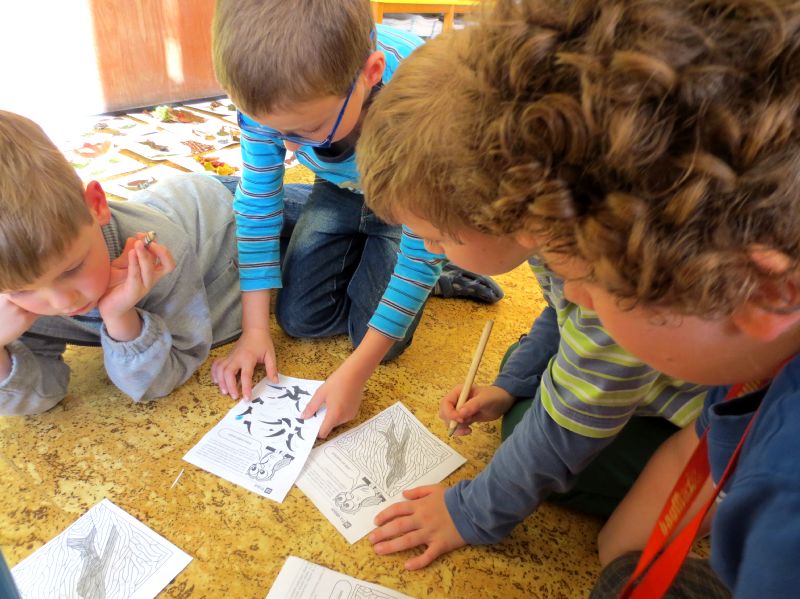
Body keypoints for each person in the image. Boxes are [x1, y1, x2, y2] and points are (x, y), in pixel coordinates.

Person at [360, 0, 800, 595]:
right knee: (614, 553)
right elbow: (566, 322)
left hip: (710, 418)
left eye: (595, 283)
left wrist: (475, 511)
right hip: (714, 408)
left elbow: (579, 403)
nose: (571, 295)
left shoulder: (782, 507)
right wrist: (515, 382)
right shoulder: (604, 228)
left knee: (546, 447)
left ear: (762, 291)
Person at [209, 0, 503, 438]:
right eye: (276, 132)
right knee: (298, 320)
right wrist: (254, 330)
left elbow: (422, 241)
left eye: (308, 129)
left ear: (371, 72)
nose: (289, 149)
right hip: (339, 189)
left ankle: (443, 266)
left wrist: (355, 373)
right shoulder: (272, 99)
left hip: (411, 207)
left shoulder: (424, 102)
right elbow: (258, 206)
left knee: (380, 342)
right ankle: (337, 228)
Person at [0, 110, 241, 416]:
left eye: (72, 268)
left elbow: (168, 373)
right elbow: (41, 396)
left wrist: (121, 318)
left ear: (97, 205)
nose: (63, 302)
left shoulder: (161, 253)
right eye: (20, 291)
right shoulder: (12, 276)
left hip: (219, 207)